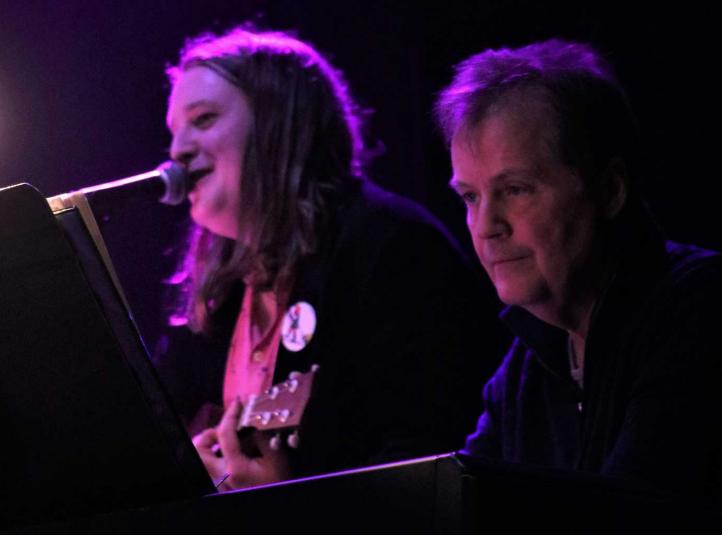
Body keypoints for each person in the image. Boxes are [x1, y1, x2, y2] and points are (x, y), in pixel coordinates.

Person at [434, 40, 722, 525]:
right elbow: (454, 522)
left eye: (515, 190)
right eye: (469, 197)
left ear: (609, 190)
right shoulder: (526, 364)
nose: (487, 226)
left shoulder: (705, 307)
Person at [155, 26, 502, 491]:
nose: (177, 151)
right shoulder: (219, 296)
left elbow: (429, 458)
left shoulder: (391, 248)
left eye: (203, 119)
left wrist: (291, 505)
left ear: (279, 124)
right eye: (174, 132)